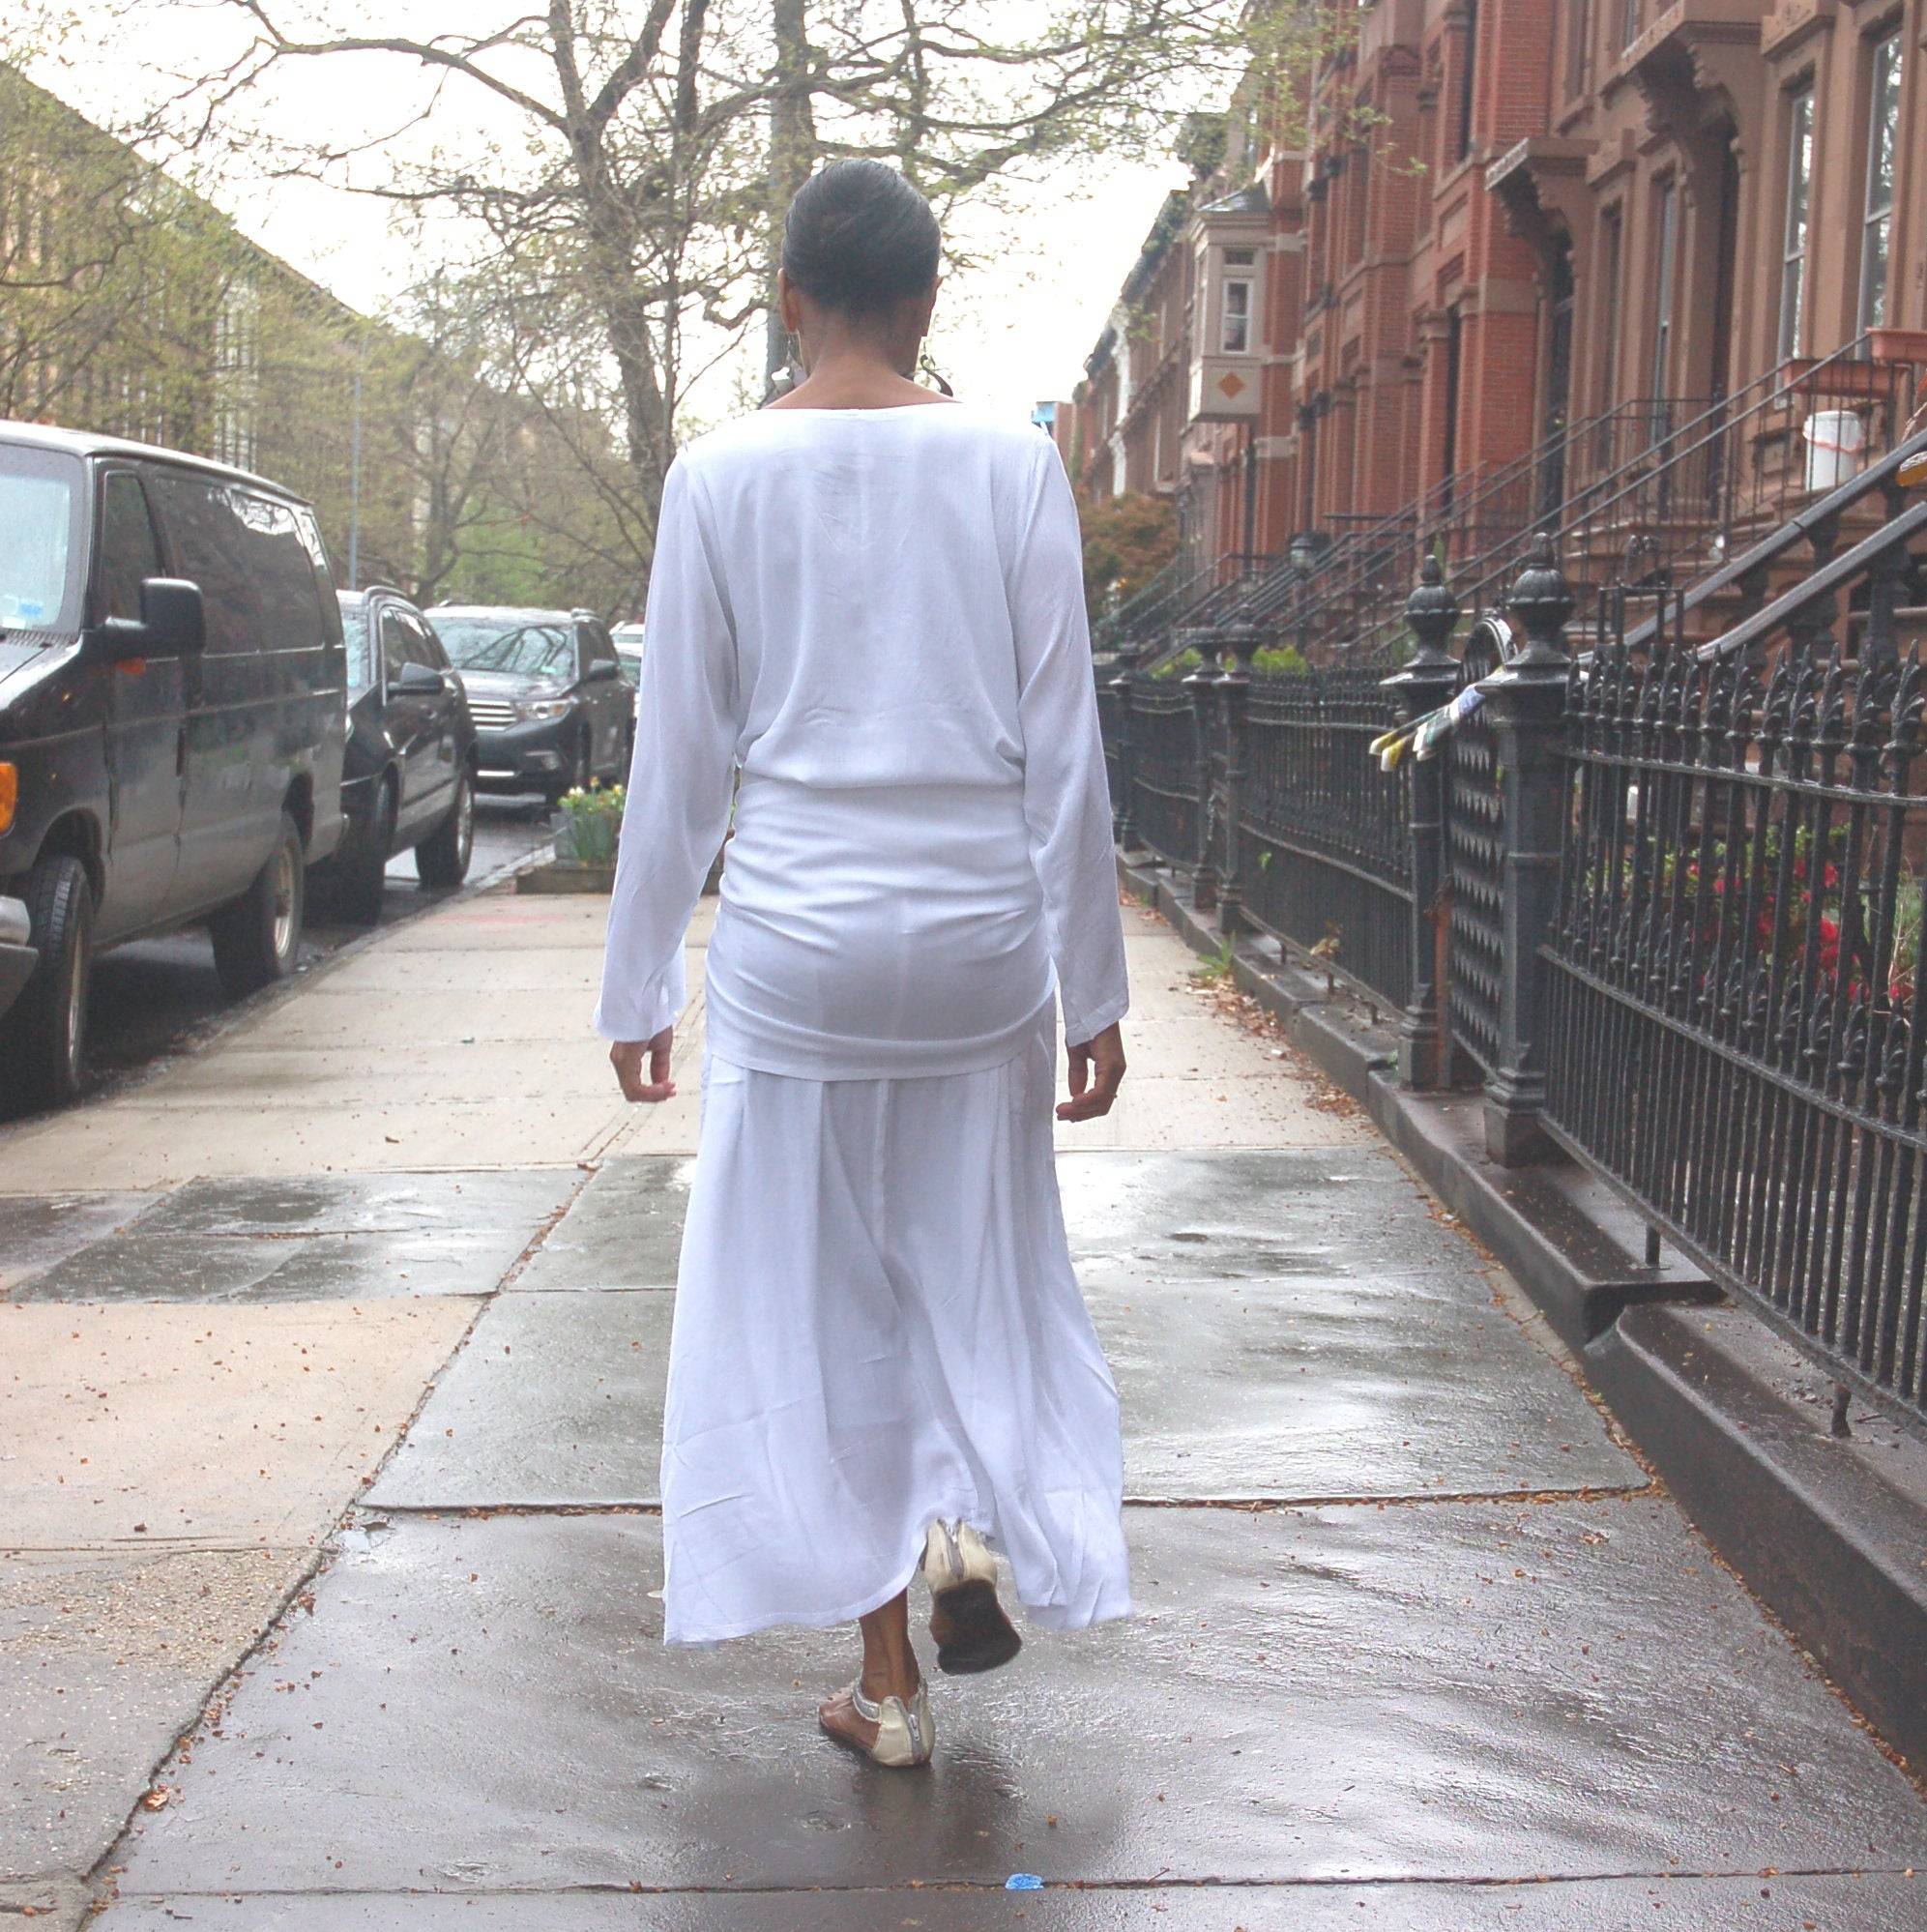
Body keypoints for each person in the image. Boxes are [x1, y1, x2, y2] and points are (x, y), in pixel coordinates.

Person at [596, 158, 1130, 1771]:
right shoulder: (1011, 463)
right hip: (976, 944)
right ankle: (961, 1526)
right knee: (975, 1263)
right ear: (926, 303)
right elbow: (1064, 750)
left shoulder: (717, 476)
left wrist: (638, 985)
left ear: (788, 303)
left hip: (799, 947)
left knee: (823, 1305)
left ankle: (888, 1683)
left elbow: (679, 757)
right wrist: (1092, 988)